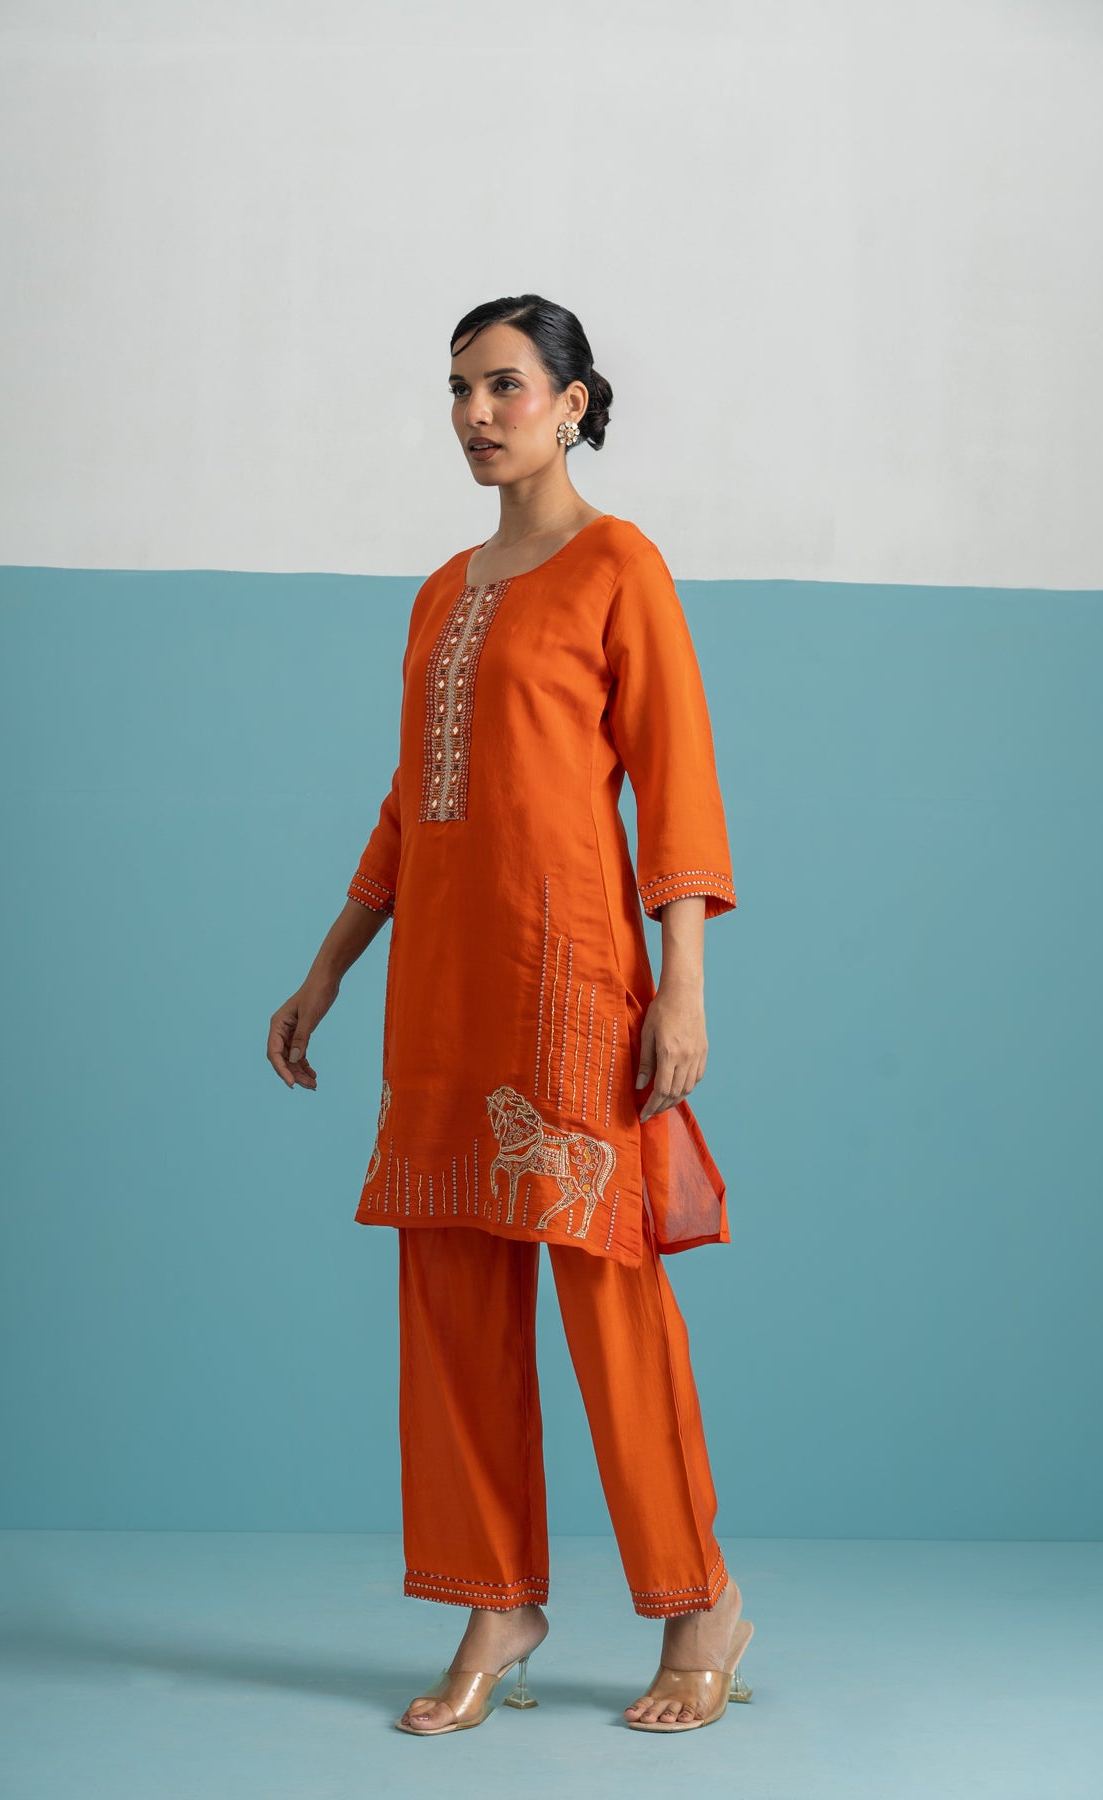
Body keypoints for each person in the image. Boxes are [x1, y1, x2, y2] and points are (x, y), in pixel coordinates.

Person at [267, 294, 755, 1735]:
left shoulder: (621, 566)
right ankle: (498, 1603)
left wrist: (681, 985)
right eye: (459, 390)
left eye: (505, 387)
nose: (476, 415)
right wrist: (328, 968)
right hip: (442, 989)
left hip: (570, 982)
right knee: (451, 1297)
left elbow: (675, 778)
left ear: (573, 403)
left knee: (612, 1303)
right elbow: (410, 805)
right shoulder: (442, 591)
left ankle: (699, 1604)